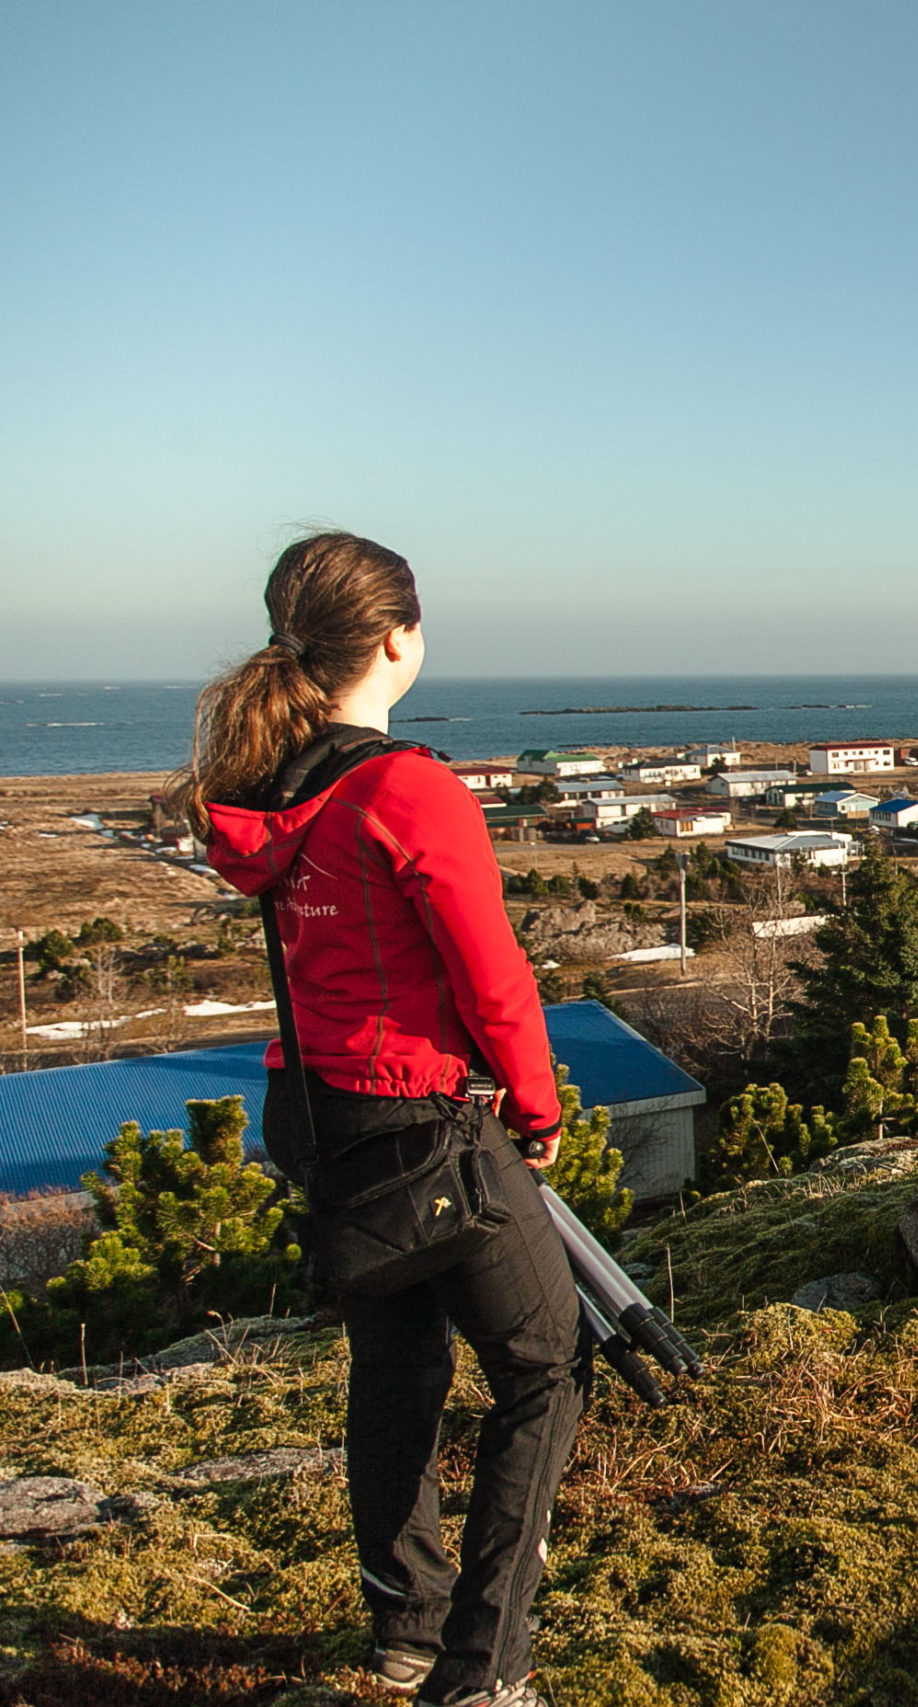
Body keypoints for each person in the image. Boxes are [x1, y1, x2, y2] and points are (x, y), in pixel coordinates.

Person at [186, 533, 581, 1707]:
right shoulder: (407, 787)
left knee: (397, 1368)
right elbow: (491, 975)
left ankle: (404, 1627)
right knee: (548, 1364)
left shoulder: (271, 791)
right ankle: (481, 1668)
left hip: (315, 1112)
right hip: (425, 1119)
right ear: (400, 638)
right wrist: (537, 1102)